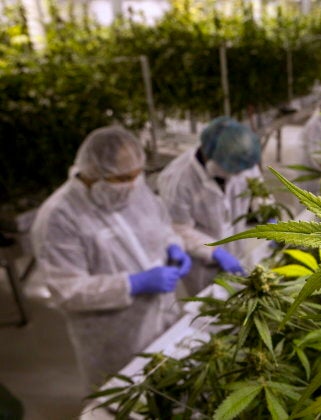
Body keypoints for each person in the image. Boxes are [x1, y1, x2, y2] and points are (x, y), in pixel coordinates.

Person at [30, 126, 191, 390]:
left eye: (137, 175)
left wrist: (175, 246)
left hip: (162, 316)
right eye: (123, 178)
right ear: (93, 173)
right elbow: (66, 290)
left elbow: (161, 226)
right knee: (123, 399)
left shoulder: (134, 189)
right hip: (114, 337)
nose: (132, 184)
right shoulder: (58, 217)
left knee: (168, 390)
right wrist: (133, 283)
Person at [157, 117, 268, 295]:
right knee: (211, 306)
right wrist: (215, 252)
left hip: (236, 247)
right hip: (202, 266)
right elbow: (178, 229)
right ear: (208, 154)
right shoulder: (177, 179)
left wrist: (268, 213)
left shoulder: (242, 159)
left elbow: (258, 190)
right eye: (232, 169)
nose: (237, 175)